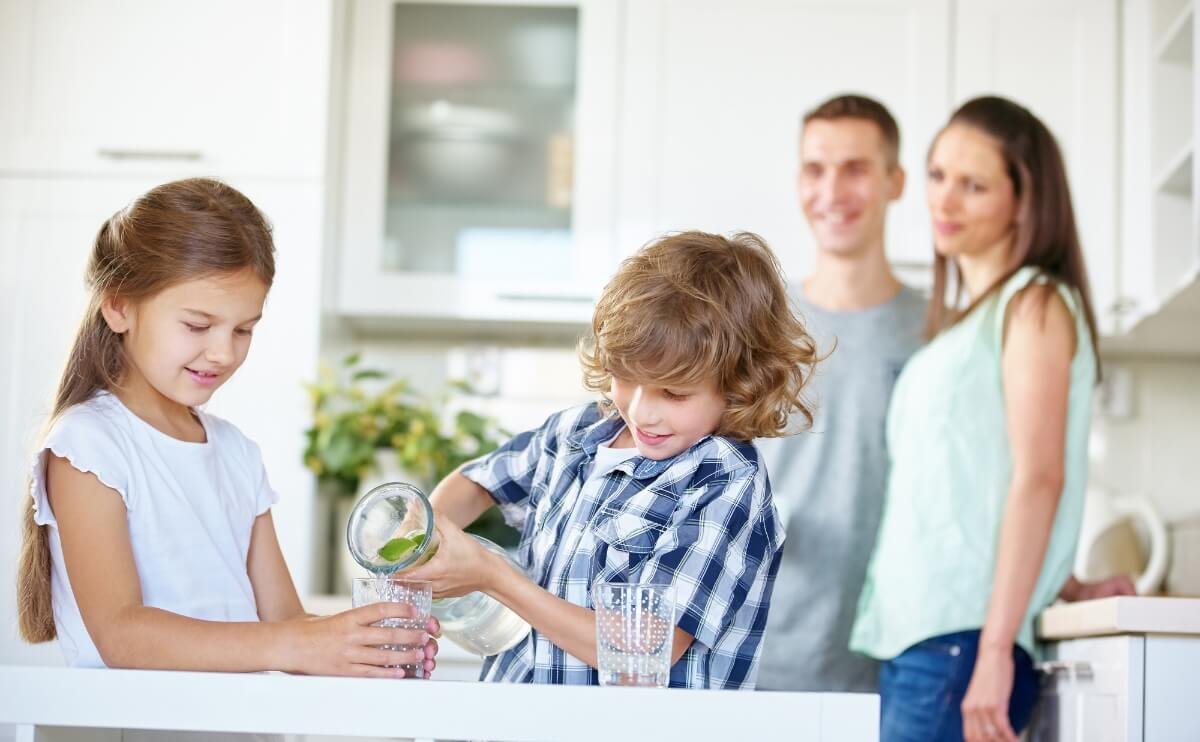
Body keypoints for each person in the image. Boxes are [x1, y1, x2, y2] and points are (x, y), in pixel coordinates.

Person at [16, 178, 439, 678]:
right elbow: (122, 634)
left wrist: (362, 642)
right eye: (197, 325)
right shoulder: (89, 443)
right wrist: (297, 643)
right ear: (119, 306)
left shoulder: (237, 453)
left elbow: (282, 621)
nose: (224, 353)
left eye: (244, 330)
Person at [405, 230, 818, 688]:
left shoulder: (725, 479)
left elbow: (646, 647)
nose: (642, 410)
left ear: (741, 383)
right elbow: (478, 481)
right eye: (626, 378)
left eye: (674, 393)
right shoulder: (574, 433)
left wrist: (494, 578)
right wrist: (424, 537)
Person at [850, 96, 1133, 742]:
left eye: (973, 185)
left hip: (963, 645)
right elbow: (972, 484)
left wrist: (998, 649)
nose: (944, 202)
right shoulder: (964, 324)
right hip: (921, 641)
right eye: (938, 175)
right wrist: (1065, 579)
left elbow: (1038, 477)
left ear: (1023, 202)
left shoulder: (1034, 304)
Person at [754, 94, 927, 693]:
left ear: (895, 181)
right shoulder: (759, 321)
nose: (832, 191)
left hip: (894, 661)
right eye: (815, 169)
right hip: (757, 649)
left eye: (855, 168)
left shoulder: (940, 330)